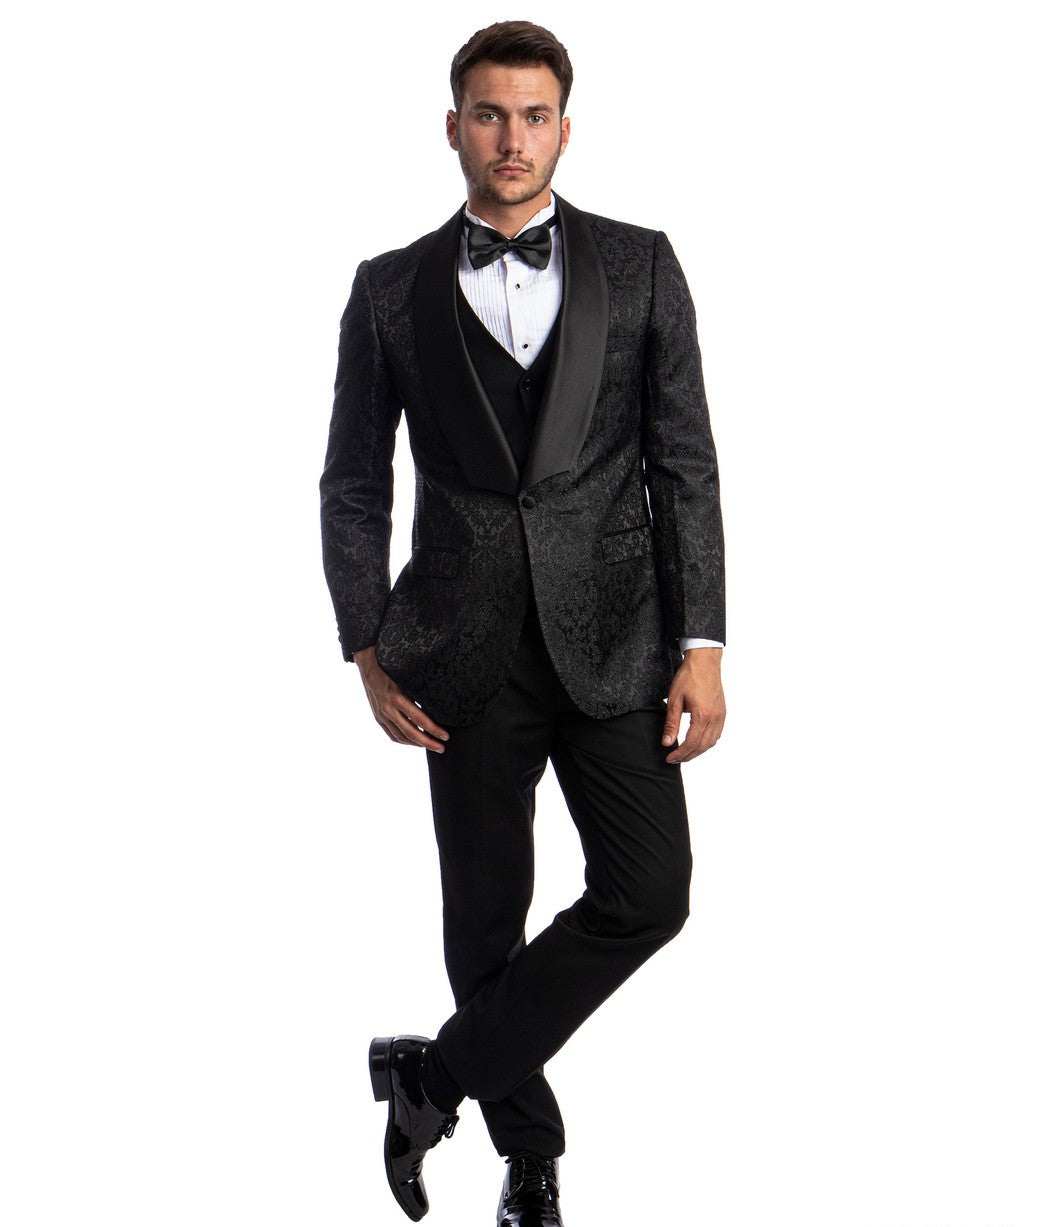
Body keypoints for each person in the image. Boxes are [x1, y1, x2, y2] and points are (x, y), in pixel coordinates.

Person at [319, 19, 726, 1225]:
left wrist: (703, 643)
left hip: (618, 644)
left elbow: (684, 464)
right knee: (484, 927)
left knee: (649, 893)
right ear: (453, 127)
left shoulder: (641, 265)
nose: (511, 137)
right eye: (489, 115)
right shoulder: (387, 289)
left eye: (533, 115)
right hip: (458, 651)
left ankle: (434, 1075)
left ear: (565, 128)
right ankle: (531, 1162)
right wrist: (365, 645)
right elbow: (353, 482)